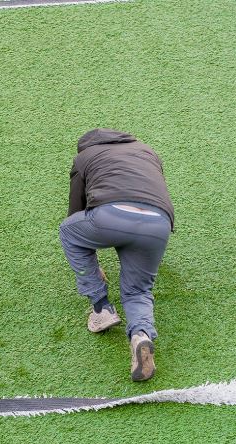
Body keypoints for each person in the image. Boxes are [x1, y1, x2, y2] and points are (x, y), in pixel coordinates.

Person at [59, 129, 174, 381]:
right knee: (138, 291)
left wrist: (91, 263)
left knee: (69, 231)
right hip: (158, 224)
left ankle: (101, 308)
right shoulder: (146, 150)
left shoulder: (85, 157)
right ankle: (141, 335)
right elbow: (157, 190)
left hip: (112, 217)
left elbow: (75, 209)